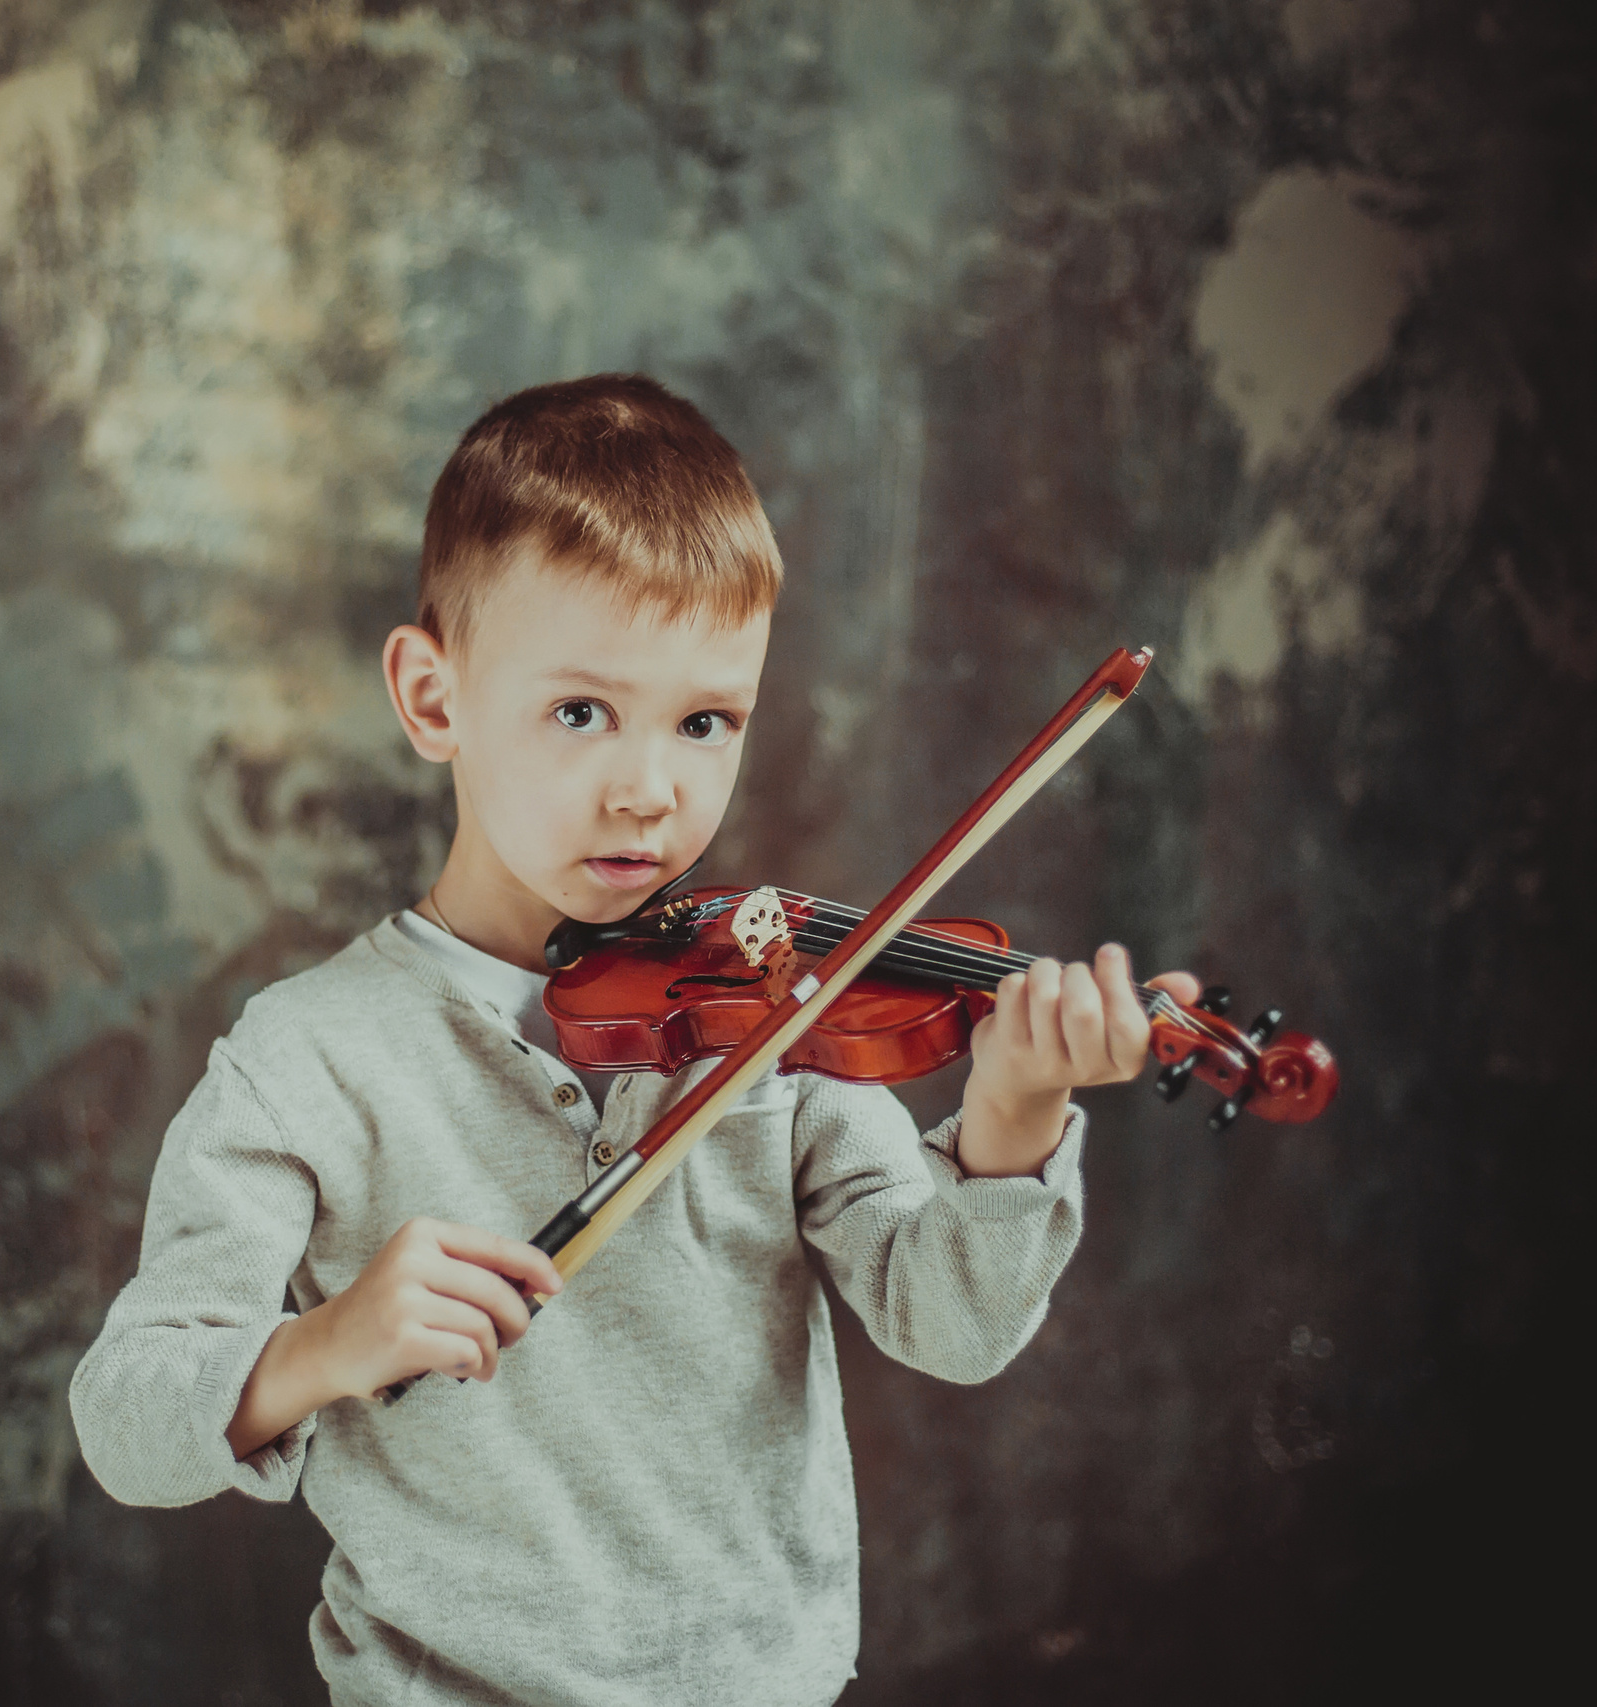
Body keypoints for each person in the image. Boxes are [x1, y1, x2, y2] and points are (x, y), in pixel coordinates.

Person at [69, 373, 1195, 1705]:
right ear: (434, 699)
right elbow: (126, 1418)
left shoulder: (776, 1005)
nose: (650, 790)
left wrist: (1012, 1118)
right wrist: (321, 1349)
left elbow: (948, 1324)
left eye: (705, 721)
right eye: (580, 712)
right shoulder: (310, 1057)